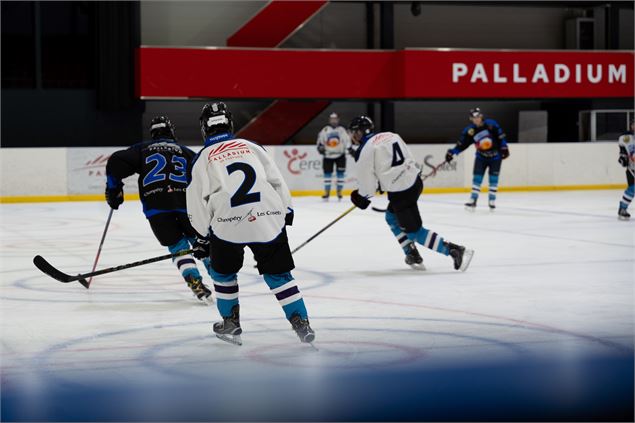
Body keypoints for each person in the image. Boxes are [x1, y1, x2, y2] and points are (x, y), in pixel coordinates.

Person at [186, 102, 315, 346]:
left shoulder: (202, 158)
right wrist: (285, 211)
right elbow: (276, 180)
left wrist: (202, 237)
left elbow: (195, 203)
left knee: (223, 273)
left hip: (227, 222)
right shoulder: (252, 146)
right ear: (229, 123)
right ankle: (301, 322)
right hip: (268, 216)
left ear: (204, 128)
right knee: (279, 274)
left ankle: (231, 323)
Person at [105, 116, 213, 302]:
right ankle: (222, 279)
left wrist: (113, 189)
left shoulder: (142, 149)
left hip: (156, 205)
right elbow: (205, 176)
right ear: (171, 132)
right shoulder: (186, 152)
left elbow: (116, 161)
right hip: (186, 203)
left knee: (177, 246)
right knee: (201, 242)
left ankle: (194, 282)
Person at [348, 115, 474, 272]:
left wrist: (361, 197)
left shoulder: (365, 149)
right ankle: (411, 253)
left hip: (401, 192)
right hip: (415, 182)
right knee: (391, 217)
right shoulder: (391, 135)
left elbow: (367, 187)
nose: (352, 136)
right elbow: (407, 158)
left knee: (414, 232)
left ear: (359, 132)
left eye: (353, 132)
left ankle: (454, 250)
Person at [445, 108, 510, 210]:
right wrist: (452, 152)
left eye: (478, 117)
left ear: (481, 116)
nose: (476, 119)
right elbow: (462, 144)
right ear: (471, 119)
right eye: (474, 118)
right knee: (477, 179)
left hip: (496, 157)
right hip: (481, 157)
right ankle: (473, 200)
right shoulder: (469, 131)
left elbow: (501, 136)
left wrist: (504, 147)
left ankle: (492, 200)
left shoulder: (491, 124)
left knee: (493, 179)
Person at [316, 112, 351, 201]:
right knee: (327, 174)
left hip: (340, 155)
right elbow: (320, 141)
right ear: (329, 120)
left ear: (338, 120)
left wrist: (349, 148)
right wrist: (320, 147)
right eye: (332, 119)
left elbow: (347, 141)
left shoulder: (342, 130)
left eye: (335, 119)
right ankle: (327, 192)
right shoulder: (325, 130)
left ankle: (339, 191)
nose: (334, 121)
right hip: (328, 155)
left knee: (340, 174)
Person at [617, 119, 634, 220]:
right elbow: (623, 151)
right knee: (632, 189)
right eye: (633, 124)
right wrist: (623, 158)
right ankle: (622, 208)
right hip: (632, 168)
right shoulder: (625, 138)